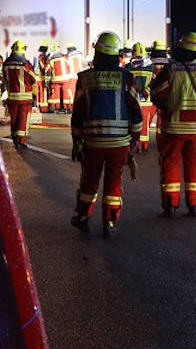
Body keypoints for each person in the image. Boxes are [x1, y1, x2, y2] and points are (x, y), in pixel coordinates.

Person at [70, 31, 143, 237]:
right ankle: (110, 222)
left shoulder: (85, 78)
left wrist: (77, 141)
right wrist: (135, 140)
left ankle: (83, 216)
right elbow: (135, 112)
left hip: (92, 142)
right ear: (116, 54)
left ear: (97, 53)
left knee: (89, 180)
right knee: (114, 181)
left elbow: (78, 113)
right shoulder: (126, 78)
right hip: (119, 143)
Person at [149, 32, 196, 216]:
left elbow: (157, 93)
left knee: (170, 163)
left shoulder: (172, 69)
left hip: (174, 126)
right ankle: (195, 203)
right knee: (194, 164)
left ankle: (171, 203)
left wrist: (165, 106)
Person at [1, 40, 37, 149]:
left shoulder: (6, 64)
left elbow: (5, 80)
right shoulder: (26, 65)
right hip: (25, 98)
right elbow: (34, 79)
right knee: (23, 119)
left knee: (14, 118)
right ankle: (21, 141)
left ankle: (15, 138)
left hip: (12, 97)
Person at [126, 42, 155, 153]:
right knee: (145, 124)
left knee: (133, 123)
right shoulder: (150, 67)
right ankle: (144, 145)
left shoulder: (128, 68)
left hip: (133, 100)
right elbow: (153, 82)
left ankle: (135, 144)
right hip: (146, 101)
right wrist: (146, 92)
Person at [64, 42, 85, 110]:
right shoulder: (81, 55)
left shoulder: (68, 57)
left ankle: (73, 107)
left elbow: (66, 67)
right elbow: (85, 65)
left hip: (72, 76)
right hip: (81, 76)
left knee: (72, 92)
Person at [34, 40, 51, 112]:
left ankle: (39, 107)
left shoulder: (36, 55)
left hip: (37, 77)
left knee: (38, 92)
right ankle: (44, 108)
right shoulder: (42, 56)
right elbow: (43, 66)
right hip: (42, 77)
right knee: (43, 92)